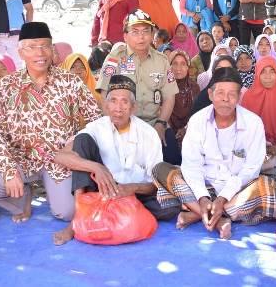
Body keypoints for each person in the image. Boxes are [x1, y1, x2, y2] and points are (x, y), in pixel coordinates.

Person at [0, 22, 101, 243]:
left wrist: (75, 142)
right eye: (32, 47)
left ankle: (55, 193)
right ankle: (23, 198)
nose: (40, 53)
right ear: (21, 51)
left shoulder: (71, 82)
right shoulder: (6, 87)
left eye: (45, 46)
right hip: (20, 159)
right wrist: (8, 171)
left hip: (60, 161)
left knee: (67, 213)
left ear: (53, 51)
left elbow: (95, 120)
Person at [53, 75, 181, 245]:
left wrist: (131, 188)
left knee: (171, 205)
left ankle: (124, 210)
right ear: (105, 106)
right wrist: (96, 167)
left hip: (135, 192)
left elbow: (154, 184)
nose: (118, 108)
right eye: (113, 101)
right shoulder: (96, 127)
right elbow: (60, 156)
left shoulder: (148, 134)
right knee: (82, 141)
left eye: (124, 102)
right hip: (103, 188)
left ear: (133, 107)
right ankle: (78, 218)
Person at [153, 67, 276, 239]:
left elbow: (251, 169)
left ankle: (196, 213)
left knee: (264, 187)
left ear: (240, 97)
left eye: (232, 94)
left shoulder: (254, 123)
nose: (226, 99)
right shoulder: (197, 120)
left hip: (236, 190)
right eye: (220, 93)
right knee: (160, 170)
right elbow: (191, 164)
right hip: (202, 186)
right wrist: (203, 197)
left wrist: (223, 198)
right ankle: (216, 218)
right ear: (210, 95)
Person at [96, 10, 180, 164]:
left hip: (154, 123)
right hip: (122, 124)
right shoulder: (114, 59)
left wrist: (161, 124)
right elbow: (104, 96)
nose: (141, 37)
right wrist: (117, 125)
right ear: (125, 36)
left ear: (152, 34)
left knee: (173, 159)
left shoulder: (162, 61)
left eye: (146, 31)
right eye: (135, 32)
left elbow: (169, 96)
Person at [168, 50, 200, 145]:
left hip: (191, 133)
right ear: (169, 66)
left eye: (183, 64)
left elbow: (197, 114)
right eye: (174, 63)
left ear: (187, 67)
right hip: (167, 133)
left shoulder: (194, 88)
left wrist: (186, 129)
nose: (179, 68)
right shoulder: (163, 87)